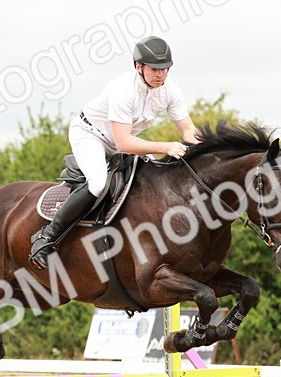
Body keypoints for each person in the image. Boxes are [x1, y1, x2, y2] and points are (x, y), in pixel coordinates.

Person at [29, 35, 200, 269]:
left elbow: (189, 130)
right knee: (98, 183)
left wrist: (211, 145)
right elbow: (123, 144)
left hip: (123, 139)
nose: (160, 74)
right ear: (138, 66)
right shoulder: (123, 89)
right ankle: (46, 236)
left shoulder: (170, 91)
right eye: (154, 69)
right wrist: (166, 147)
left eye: (165, 69)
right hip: (90, 135)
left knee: (153, 178)